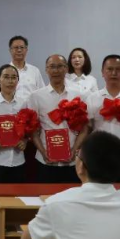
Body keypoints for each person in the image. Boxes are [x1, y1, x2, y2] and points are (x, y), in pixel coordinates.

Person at [30, 55, 89, 183]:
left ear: (66, 69)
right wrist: (43, 152)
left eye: (60, 66)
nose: (56, 70)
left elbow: (85, 129)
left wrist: (74, 150)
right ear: (46, 69)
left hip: (72, 161)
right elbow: (33, 131)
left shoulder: (79, 95)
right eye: (52, 67)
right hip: (45, 161)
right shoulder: (36, 97)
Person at [0, 35, 45, 101]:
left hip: (31, 107)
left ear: (26, 50)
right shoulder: (3, 71)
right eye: (16, 47)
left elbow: (42, 93)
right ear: (10, 50)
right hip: (10, 106)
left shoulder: (35, 71)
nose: (19, 50)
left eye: (22, 47)